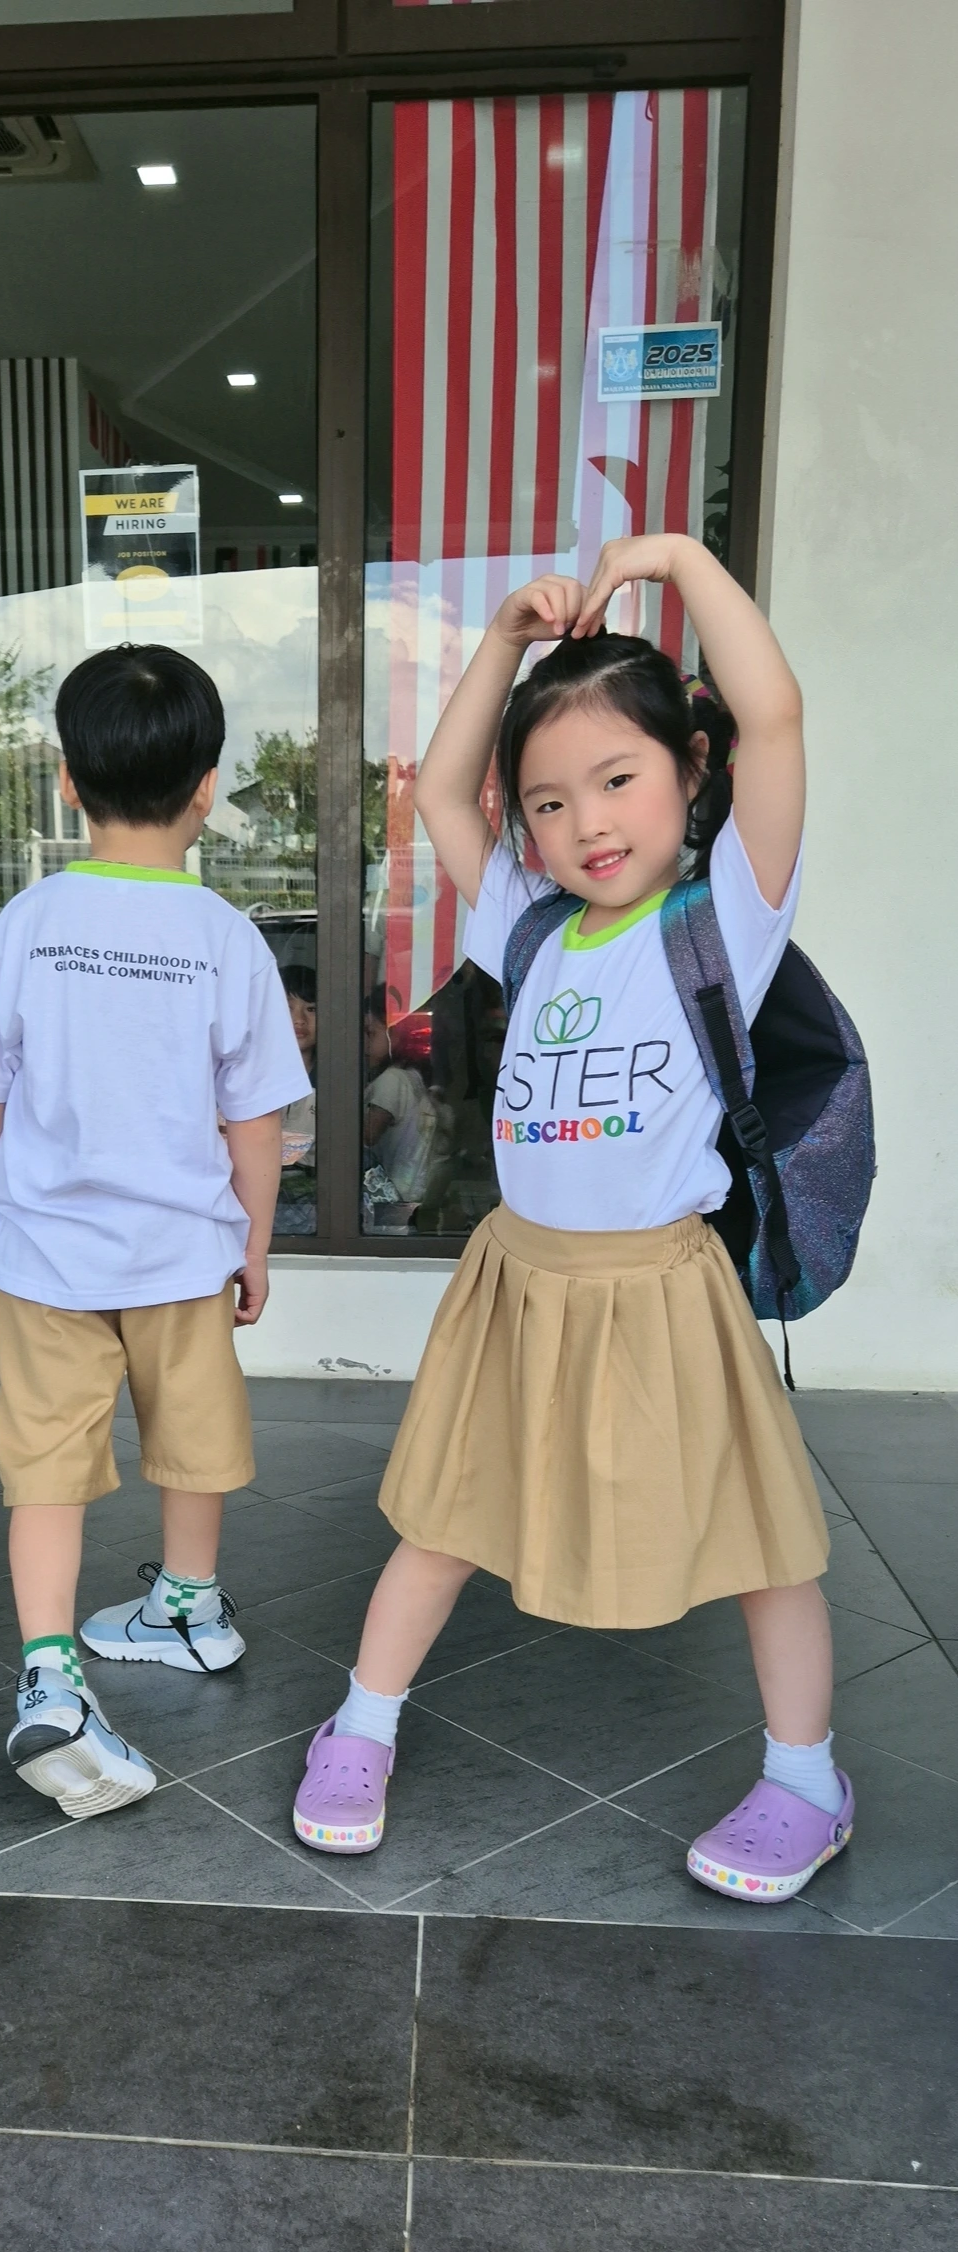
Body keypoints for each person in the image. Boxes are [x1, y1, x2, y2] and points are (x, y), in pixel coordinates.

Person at [293, 532, 842, 1907]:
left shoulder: (725, 919)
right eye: (546, 801)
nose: (584, 822)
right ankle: (359, 1725)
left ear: (689, 773)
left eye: (615, 779)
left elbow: (774, 713)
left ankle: (804, 1779)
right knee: (443, 1516)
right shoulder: (527, 929)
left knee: (755, 1539)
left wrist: (675, 559)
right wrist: (497, 644)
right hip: (516, 1283)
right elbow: (437, 793)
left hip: (660, 1288)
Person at [0, 643, 310, 1824]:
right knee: (190, 1433)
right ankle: (188, 1607)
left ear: (65, 780)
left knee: (43, 1463)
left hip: (49, 1255)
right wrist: (253, 1242)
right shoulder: (226, 936)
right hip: (183, 1255)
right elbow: (254, 1118)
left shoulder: (29, 923)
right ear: (207, 786)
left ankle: (51, 1671)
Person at [362, 987, 438, 1228]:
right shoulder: (412, 1076)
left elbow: (367, 1136)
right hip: (413, 1192)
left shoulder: (392, 1081)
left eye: (370, 1033)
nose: (363, 1043)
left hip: (393, 1198)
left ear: (395, 1035)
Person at [274, 963, 316, 1234]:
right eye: (287, 1008)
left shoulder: (339, 1083)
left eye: (311, 1009)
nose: (299, 1020)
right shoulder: (250, 1079)